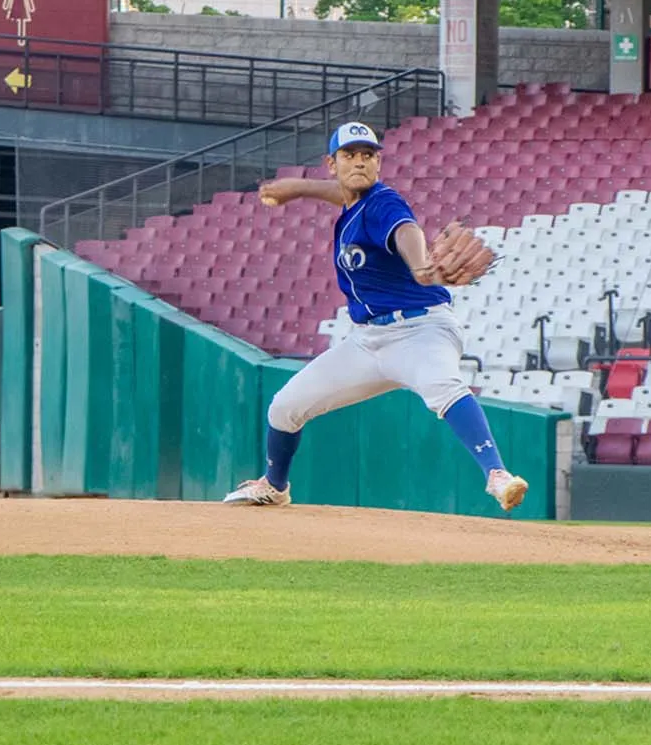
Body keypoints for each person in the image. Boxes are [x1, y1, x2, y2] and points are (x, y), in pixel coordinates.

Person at [221, 121, 530, 512]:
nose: (360, 162)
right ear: (331, 164)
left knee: (445, 388)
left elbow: (406, 230)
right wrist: (297, 188)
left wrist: (420, 266)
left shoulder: (384, 203)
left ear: (379, 163)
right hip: (368, 342)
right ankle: (274, 485)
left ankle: (498, 475)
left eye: (368, 155)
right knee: (284, 407)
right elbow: (342, 194)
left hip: (420, 330)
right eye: (350, 155)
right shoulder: (354, 203)